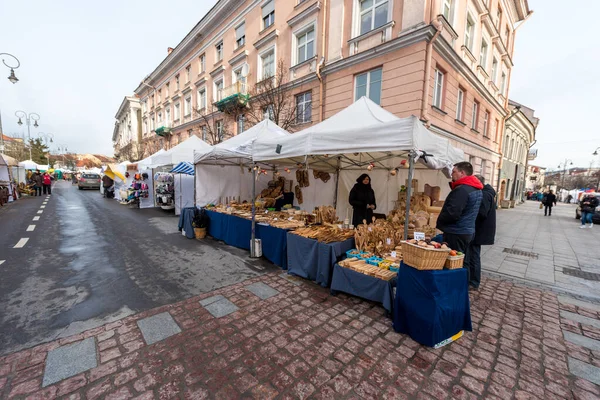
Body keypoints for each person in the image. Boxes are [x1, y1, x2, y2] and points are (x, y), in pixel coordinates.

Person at [436, 162, 483, 255]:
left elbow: (452, 213)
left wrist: (441, 221)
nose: (451, 174)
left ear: (462, 173)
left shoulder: (462, 190)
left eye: (454, 172)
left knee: (453, 262)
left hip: (456, 232)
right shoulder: (476, 188)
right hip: (467, 230)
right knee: (462, 260)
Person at [465, 175, 497, 290]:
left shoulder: (484, 194)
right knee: (472, 255)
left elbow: (481, 213)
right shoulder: (486, 193)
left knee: (473, 256)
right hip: (478, 230)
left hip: (479, 230)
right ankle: (471, 280)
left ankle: (473, 282)